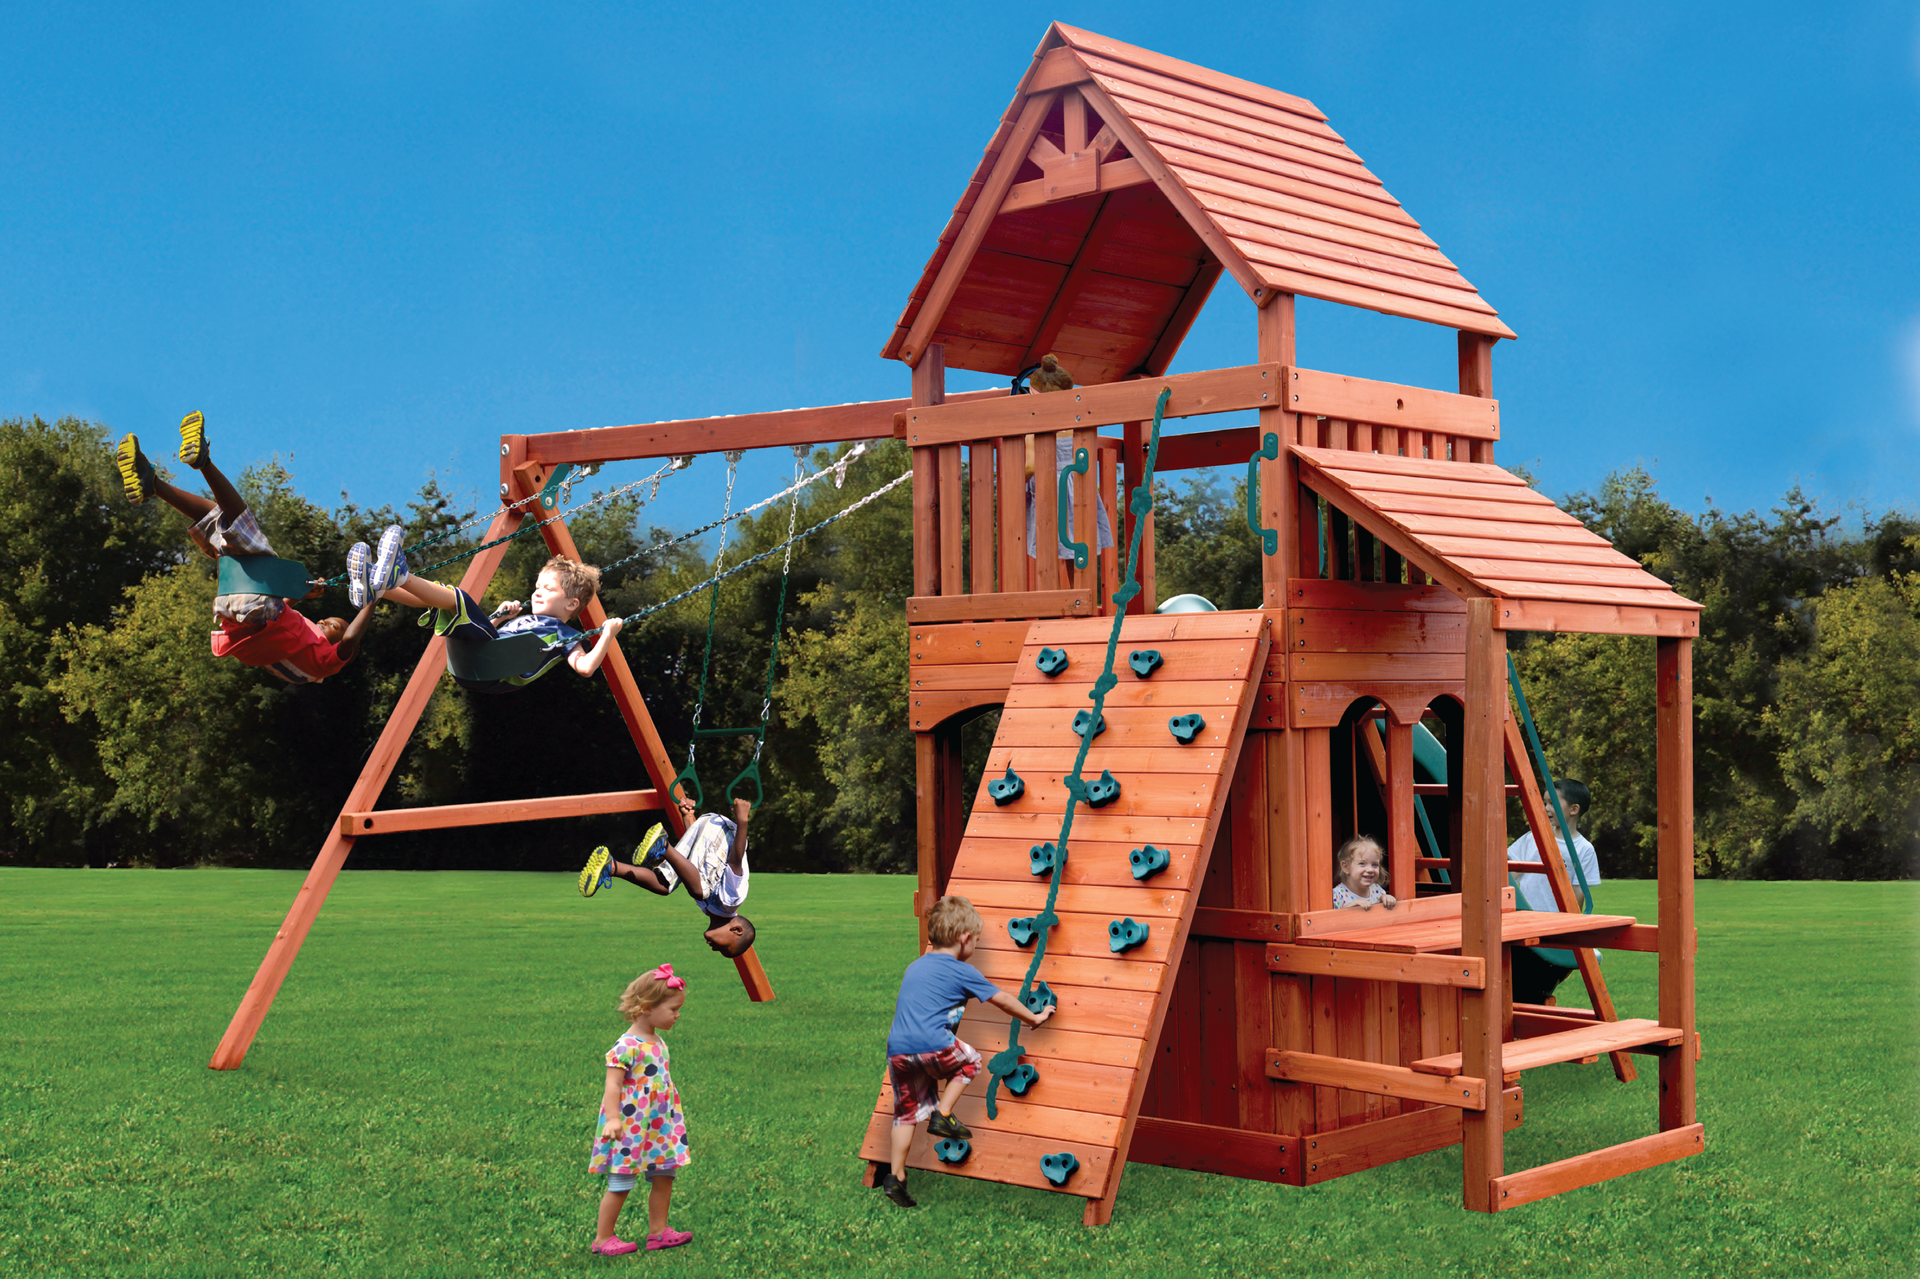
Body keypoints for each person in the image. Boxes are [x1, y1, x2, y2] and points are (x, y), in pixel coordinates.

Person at [115, 413, 373, 685]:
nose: (323, 622)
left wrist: (374, 598)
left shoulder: (324, 662)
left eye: (334, 625)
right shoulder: (303, 641)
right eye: (328, 620)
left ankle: (203, 461)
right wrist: (299, 594)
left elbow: (350, 639)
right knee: (218, 525)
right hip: (236, 610)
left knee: (241, 522)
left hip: (256, 614)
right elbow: (275, 615)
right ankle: (152, 484)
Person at [877, 894, 1056, 1209]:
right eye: (975, 940)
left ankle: (896, 1176)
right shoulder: (963, 971)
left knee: (904, 1115)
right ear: (964, 940)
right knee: (971, 1061)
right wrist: (1034, 1018)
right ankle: (942, 1115)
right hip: (930, 1044)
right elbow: (1001, 1000)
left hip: (898, 1051)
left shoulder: (914, 967)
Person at [354, 522, 623, 692]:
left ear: (572, 603)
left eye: (548, 590)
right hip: (472, 661)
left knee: (458, 598)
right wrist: (499, 616)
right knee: (443, 600)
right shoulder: (525, 620)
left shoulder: (565, 635)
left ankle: (401, 576)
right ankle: (379, 590)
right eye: (538, 587)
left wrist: (607, 634)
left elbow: (585, 667)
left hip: (493, 672)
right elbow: (485, 634)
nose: (538, 593)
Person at [587, 964, 693, 1255]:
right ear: (648, 1006)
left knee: (665, 1175)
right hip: (631, 1125)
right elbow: (612, 1086)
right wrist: (612, 1119)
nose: (677, 1014)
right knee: (621, 1181)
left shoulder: (658, 1041)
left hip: (659, 1124)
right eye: (673, 1009)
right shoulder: (626, 1045)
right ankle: (602, 1238)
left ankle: (658, 1232)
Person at [578, 795, 756, 960]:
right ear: (736, 930)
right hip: (727, 833)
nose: (714, 949)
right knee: (700, 891)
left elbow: (697, 860)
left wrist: (688, 818)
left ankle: (611, 866)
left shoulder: (708, 908)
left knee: (664, 885)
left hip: (706, 831)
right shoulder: (731, 901)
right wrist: (743, 821)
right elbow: (735, 861)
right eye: (725, 949)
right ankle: (663, 846)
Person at [1508, 779, 1601, 1004]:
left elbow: (1579, 892)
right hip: (1524, 920)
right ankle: (1528, 1001)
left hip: (1553, 923)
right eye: (1544, 802)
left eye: (1551, 803)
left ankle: (1534, 1000)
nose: (1545, 808)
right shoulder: (1534, 837)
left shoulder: (1584, 849)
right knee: (1520, 968)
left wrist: (1566, 923)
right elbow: (1511, 874)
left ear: (1573, 809)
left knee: (1544, 970)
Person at [1332, 835, 1397, 910]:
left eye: (1375, 865)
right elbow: (1331, 919)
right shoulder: (1338, 895)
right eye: (1362, 863)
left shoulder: (1377, 890)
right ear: (1345, 867)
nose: (1370, 870)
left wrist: (1386, 899)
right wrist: (1350, 908)